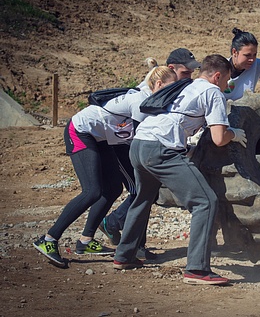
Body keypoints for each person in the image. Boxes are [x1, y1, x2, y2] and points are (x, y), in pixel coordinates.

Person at [113, 54, 247, 286]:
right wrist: (235, 134)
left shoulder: (187, 85)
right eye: (226, 81)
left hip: (138, 144)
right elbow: (218, 138)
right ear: (217, 77)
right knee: (205, 202)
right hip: (160, 149)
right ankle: (196, 269)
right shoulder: (212, 92)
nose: (226, 86)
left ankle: (124, 255)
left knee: (143, 198)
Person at [32, 64, 179, 268]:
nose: (172, 93)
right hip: (81, 131)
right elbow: (141, 140)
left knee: (112, 189)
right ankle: (48, 239)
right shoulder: (140, 101)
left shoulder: (149, 96)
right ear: (159, 84)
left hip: (101, 137)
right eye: (170, 88)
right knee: (92, 191)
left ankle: (85, 241)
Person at [99, 48, 202, 259]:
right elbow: (143, 128)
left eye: (192, 74)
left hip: (136, 142)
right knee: (141, 192)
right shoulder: (148, 94)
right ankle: (116, 226)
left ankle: (129, 244)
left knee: (146, 193)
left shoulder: (168, 87)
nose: (189, 78)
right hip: (124, 143)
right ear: (171, 70)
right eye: (185, 73)